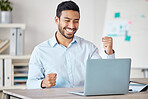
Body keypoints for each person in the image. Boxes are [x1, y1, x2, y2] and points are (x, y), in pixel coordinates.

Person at [27, 0, 115, 89]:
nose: (72, 26)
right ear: (57, 20)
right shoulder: (40, 50)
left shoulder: (89, 48)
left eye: (76, 21)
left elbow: (105, 75)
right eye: (67, 20)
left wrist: (109, 52)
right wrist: (43, 83)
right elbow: (30, 84)